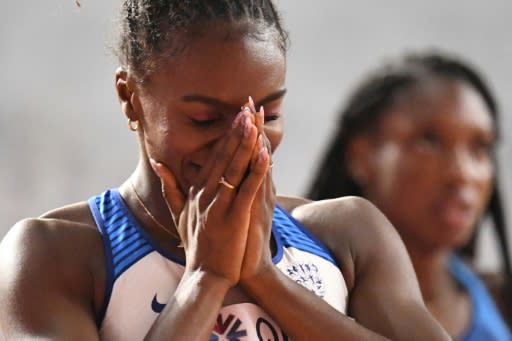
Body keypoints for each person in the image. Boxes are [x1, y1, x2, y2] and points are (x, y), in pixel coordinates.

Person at [0, 2, 450, 340]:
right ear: (130, 97)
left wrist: (263, 277)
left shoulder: (345, 235)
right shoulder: (54, 254)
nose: (245, 138)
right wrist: (206, 278)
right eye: (205, 119)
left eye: (268, 114)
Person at [307, 51, 512, 340]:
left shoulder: (500, 301)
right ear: (361, 154)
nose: (461, 173)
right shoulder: (306, 291)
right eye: (429, 141)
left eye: (479, 148)